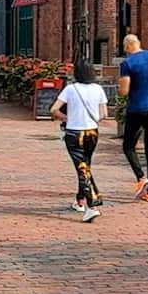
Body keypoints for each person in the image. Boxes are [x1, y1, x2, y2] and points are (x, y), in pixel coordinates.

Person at [51, 59, 107, 223]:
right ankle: (80, 200)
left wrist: (67, 118)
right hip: (92, 132)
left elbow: (54, 109)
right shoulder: (98, 89)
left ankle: (92, 206)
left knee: (82, 168)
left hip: (74, 133)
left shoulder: (71, 89)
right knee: (85, 166)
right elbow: (103, 114)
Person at [118, 33, 148, 202]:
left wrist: (120, 87)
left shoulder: (128, 63)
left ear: (128, 46)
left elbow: (124, 90)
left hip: (136, 109)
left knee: (128, 146)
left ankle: (141, 176)